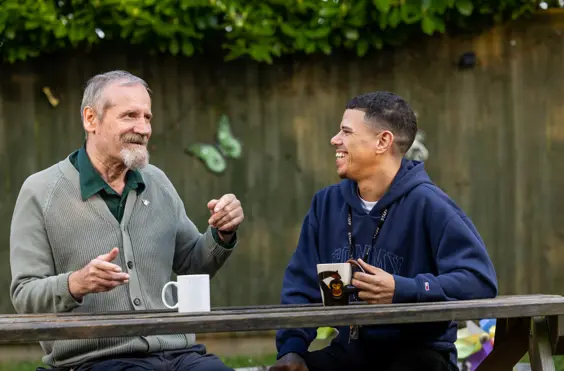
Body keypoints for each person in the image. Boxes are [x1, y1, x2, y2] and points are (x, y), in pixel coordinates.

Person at [9, 70, 244, 371]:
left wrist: (221, 233)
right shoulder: (41, 191)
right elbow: (25, 295)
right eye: (130, 115)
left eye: (147, 117)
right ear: (91, 119)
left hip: (179, 354)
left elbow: (192, 266)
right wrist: (76, 283)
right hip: (94, 360)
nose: (143, 128)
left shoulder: (157, 182)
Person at [271, 91, 498, 371]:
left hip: (420, 356)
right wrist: (292, 349)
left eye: (346, 132)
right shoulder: (326, 205)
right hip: (349, 352)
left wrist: (403, 289)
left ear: (383, 141)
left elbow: (479, 280)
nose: (334, 140)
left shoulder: (430, 204)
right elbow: (301, 287)